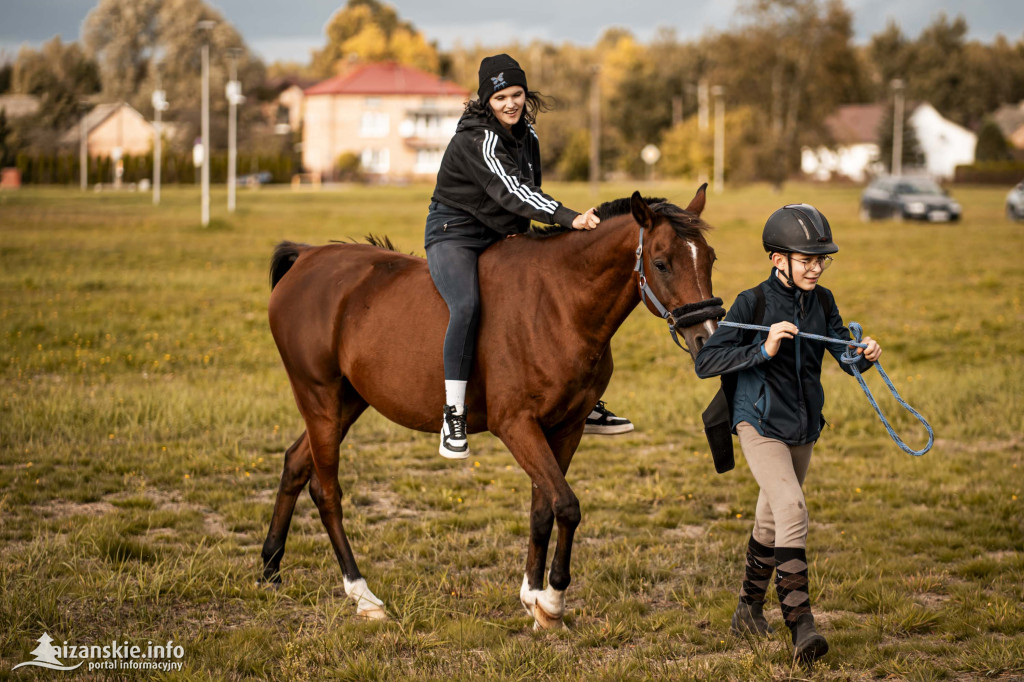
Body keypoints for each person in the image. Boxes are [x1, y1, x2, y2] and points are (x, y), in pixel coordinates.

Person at [694, 204, 882, 662]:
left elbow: (845, 357)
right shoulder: (751, 303)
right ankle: (802, 626)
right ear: (778, 259)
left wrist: (865, 355)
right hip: (757, 423)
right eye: (806, 259)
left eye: (822, 259)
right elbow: (706, 362)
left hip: (803, 427)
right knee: (793, 509)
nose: (816, 267)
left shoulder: (823, 302)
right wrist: (764, 347)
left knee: (771, 520)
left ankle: (747, 610)